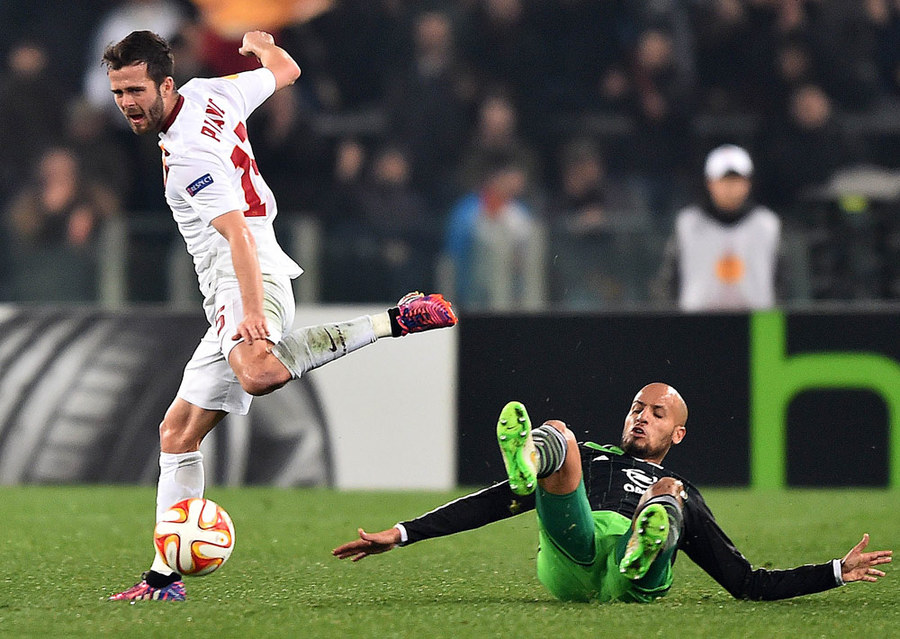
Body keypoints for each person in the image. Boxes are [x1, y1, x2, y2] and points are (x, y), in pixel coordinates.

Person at [103, 30, 458, 602]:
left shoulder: (191, 149)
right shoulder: (212, 93)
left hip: (247, 277)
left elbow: (237, 233)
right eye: (118, 92)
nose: (126, 104)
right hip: (234, 283)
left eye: (136, 90)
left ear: (164, 85)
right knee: (177, 433)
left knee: (259, 373)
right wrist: (261, 45)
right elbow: (287, 70)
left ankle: (396, 320)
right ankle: (164, 578)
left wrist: (247, 311)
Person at [334, 383, 892, 604]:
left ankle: (644, 548)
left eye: (656, 413)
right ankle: (529, 460)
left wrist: (835, 571)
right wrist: (403, 533)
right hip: (575, 548)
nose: (640, 418)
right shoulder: (600, 458)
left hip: (627, 569)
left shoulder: (684, 490)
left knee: (670, 494)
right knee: (563, 436)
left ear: (677, 433)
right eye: (635, 409)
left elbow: (745, 582)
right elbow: (490, 503)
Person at [652, 144, 786, 311]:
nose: (730, 187)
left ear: (748, 183)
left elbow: (781, 284)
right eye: (724, 180)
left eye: (736, 180)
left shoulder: (767, 225)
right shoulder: (688, 224)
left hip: (762, 323)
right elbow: (668, 282)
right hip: (698, 325)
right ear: (710, 183)